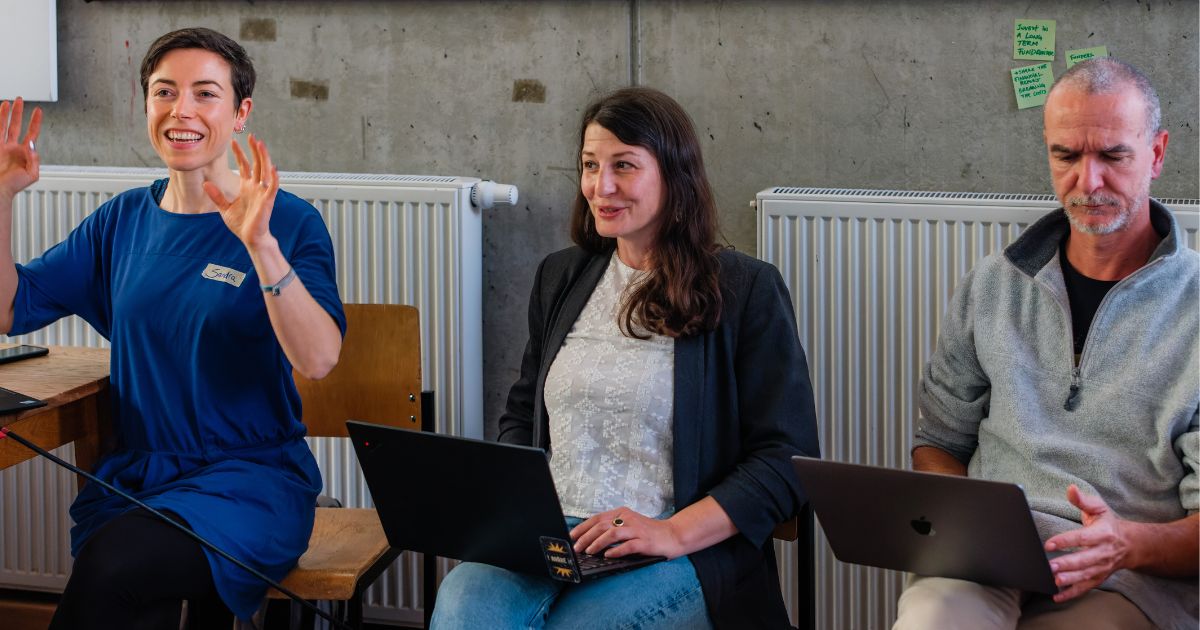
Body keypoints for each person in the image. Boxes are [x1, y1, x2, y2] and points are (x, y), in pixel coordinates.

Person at [430, 86, 819, 629]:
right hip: (552, 538)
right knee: (461, 610)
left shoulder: (746, 289)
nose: (601, 186)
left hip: (678, 547)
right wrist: (519, 514)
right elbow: (521, 415)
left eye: (624, 166)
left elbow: (787, 459)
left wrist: (672, 532)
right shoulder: (561, 277)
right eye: (590, 165)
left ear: (674, 175)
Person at [0, 27, 345, 628]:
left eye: (204, 94)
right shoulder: (121, 220)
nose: (180, 110)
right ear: (146, 106)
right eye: (164, 92)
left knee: (115, 570)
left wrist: (260, 245)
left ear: (241, 113)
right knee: (131, 584)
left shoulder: (288, 221)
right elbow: (11, 308)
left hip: (250, 482)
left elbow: (318, 360)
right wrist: (0, 196)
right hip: (141, 476)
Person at [894, 57, 1198, 630]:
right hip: (986, 561)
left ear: (1157, 153)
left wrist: (1126, 544)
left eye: (1113, 155)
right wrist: (962, 527)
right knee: (930, 622)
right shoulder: (993, 284)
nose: (1088, 183)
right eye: (1066, 156)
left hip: (1128, 577)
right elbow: (938, 442)